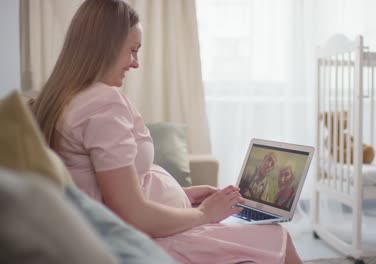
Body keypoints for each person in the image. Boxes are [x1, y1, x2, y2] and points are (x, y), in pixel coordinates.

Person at [30, 0, 302, 263]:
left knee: (261, 231)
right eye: (133, 50)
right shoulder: (101, 104)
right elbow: (131, 214)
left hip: (132, 228)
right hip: (141, 236)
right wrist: (205, 214)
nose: (135, 63)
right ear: (106, 47)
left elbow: (106, 186)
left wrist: (182, 194)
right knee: (275, 235)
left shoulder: (65, 98)